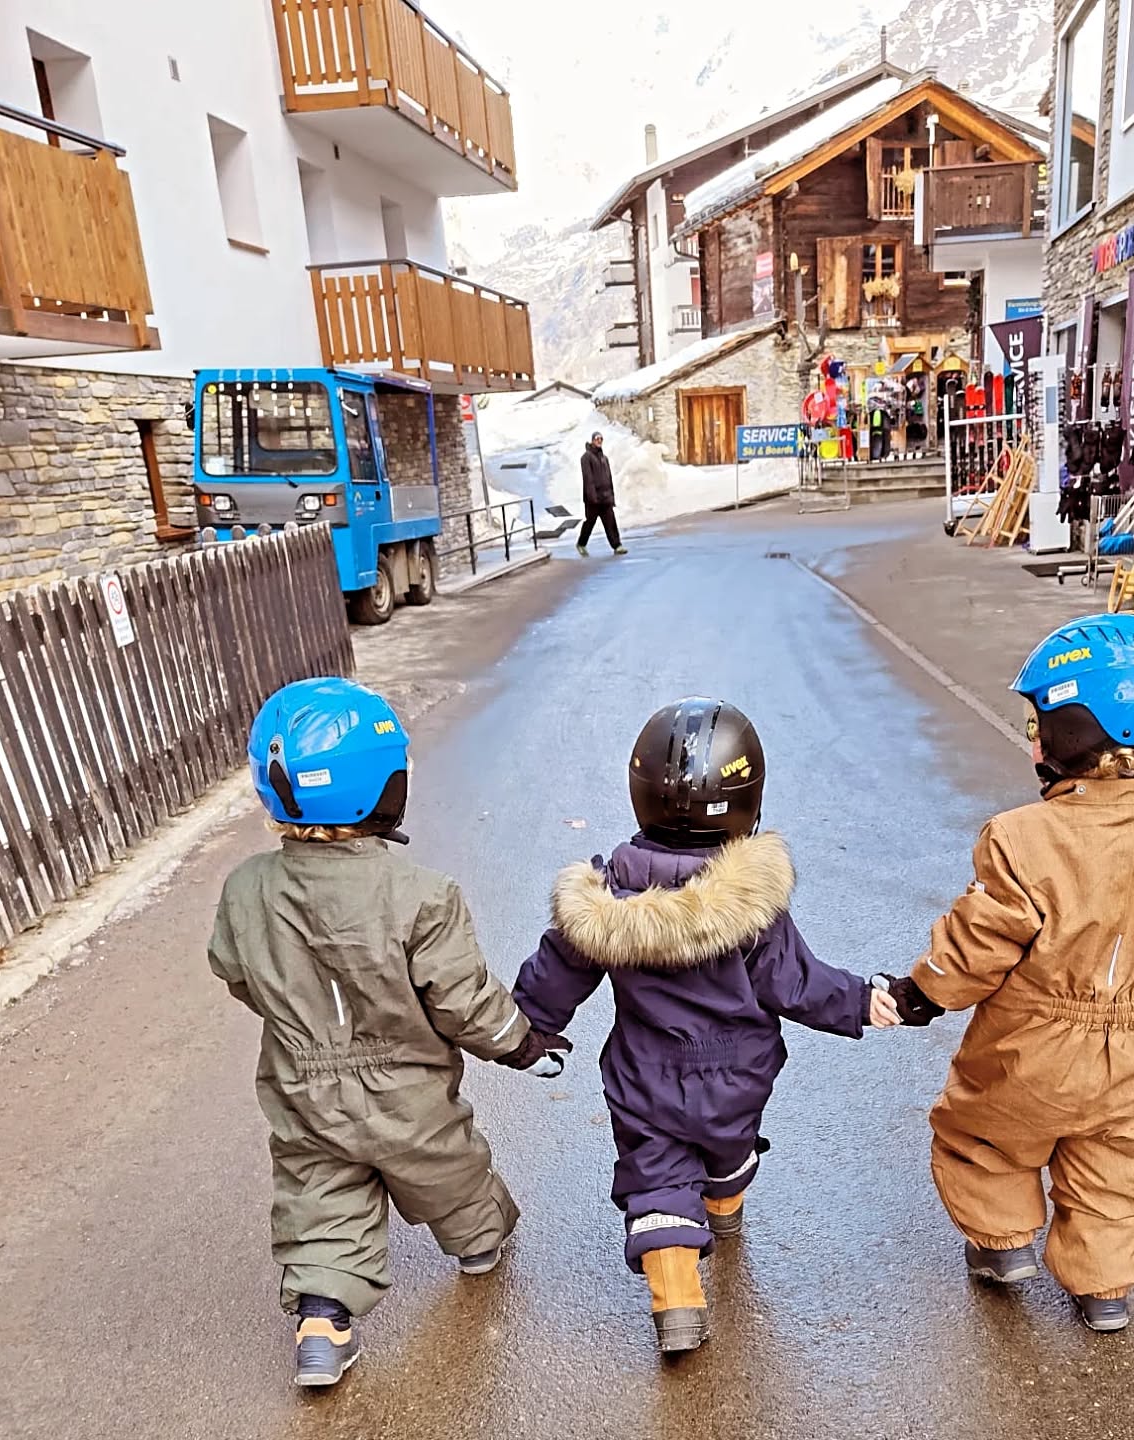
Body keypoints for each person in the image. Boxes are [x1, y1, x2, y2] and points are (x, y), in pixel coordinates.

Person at [209, 677, 572, 1388]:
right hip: (407, 1086)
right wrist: (518, 1040)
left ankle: (321, 1325)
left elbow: (235, 969)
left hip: (302, 1086)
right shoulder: (420, 895)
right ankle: (480, 1245)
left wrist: (299, 1016)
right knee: (448, 1169)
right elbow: (460, 999)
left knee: (321, 1192)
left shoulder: (246, 888)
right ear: (384, 789)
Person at [511, 697, 899, 1354]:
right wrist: (861, 1000)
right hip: (737, 1071)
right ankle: (723, 1207)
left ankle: (678, 1300)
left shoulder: (604, 899)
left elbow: (558, 971)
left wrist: (528, 1027)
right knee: (727, 1145)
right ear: (748, 803)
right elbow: (795, 982)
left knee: (657, 1174)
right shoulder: (751, 905)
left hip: (645, 1071)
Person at [881, 615, 1134, 1334]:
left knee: (984, 1137)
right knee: (1113, 1162)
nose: (1033, 738)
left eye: (1040, 722)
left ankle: (1003, 1248)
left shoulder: (1022, 837)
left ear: (1078, 730)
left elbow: (982, 942)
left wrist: (924, 991)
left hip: (1028, 1044)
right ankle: (1104, 1291)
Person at [578, 431, 627, 556]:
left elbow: (608, 478)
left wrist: (611, 496)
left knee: (611, 522)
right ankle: (581, 544)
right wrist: (592, 497)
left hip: (605, 498)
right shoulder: (586, 457)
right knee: (590, 522)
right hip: (593, 499)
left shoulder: (604, 458)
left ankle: (617, 545)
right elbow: (588, 478)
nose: (599, 441)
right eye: (596, 439)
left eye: (601, 439)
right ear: (592, 441)